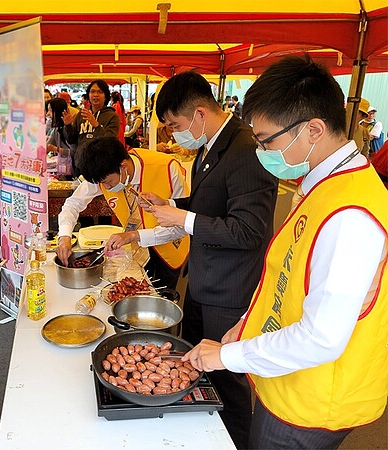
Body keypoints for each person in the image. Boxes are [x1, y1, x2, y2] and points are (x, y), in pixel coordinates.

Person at [184, 55, 388, 450]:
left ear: (313, 130)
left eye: (267, 141)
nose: (261, 152)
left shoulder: (351, 214)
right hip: (286, 378)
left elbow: (322, 339)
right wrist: (243, 325)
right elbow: (288, 275)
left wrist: (228, 356)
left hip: (312, 402)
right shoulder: (321, 184)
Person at [136, 70, 278, 449]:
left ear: (199, 114)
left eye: (174, 125)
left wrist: (184, 219)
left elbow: (248, 230)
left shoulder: (246, 150)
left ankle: (238, 443)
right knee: (199, 372)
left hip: (228, 291)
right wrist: (173, 206)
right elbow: (211, 206)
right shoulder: (209, 146)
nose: (172, 134)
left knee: (228, 383)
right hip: (203, 282)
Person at [56, 136, 190, 291]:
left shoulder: (167, 168)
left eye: (108, 182)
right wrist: (64, 236)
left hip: (169, 249)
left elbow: (181, 224)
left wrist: (133, 235)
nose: (105, 187)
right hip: (135, 250)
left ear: (123, 167)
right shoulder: (103, 172)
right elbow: (73, 204)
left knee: (161, 297)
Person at [64, 80, 120, 156]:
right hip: (81, 163)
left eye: (100, 92)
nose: (95, 95)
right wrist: (68, 126)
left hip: (103, 164)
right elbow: (71, 140)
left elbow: (110, 141)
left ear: (106, 96)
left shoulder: (112, 116)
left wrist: (96, 125)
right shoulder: (81, 114)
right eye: (92, 91)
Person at [46, 98, 74, 177]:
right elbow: (46, 147)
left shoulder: (69, 129)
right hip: (65, 171)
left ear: (58, 111)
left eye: (50, 110)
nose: (47, 114)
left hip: (74, 173)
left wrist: (56, 149)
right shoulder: (56, 129)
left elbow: (74, 153)